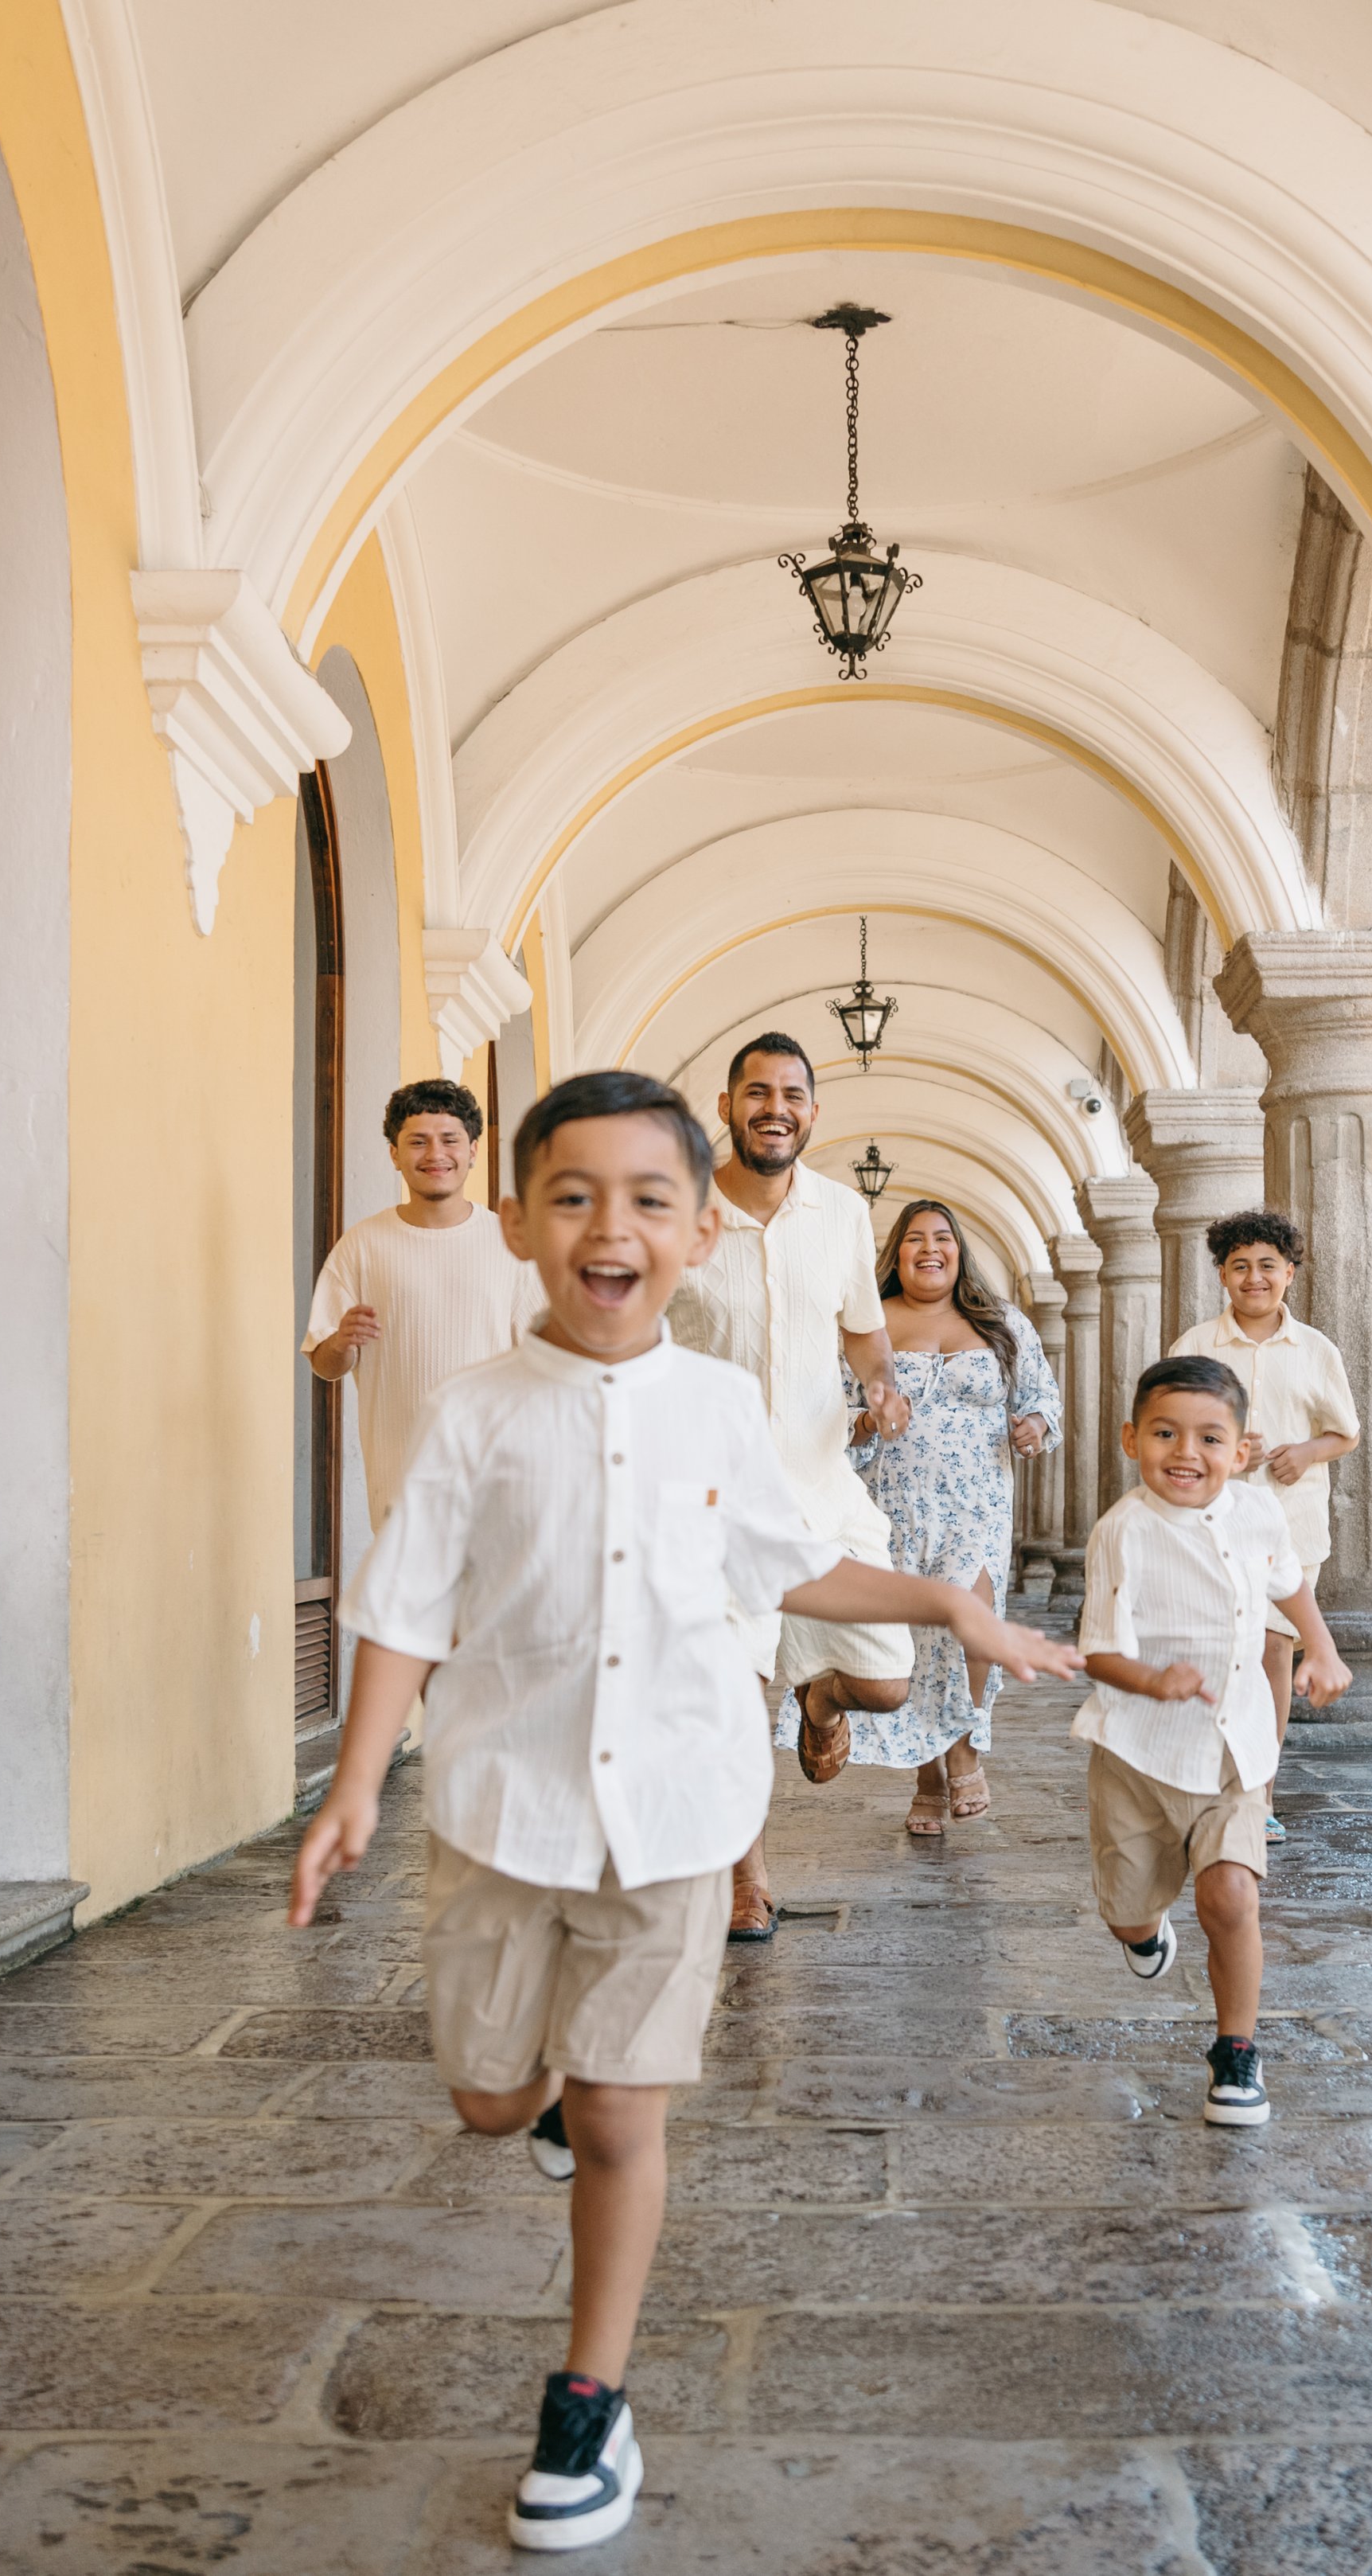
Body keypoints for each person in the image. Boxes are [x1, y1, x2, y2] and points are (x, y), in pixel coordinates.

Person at [288, 1069, 1082, 2553]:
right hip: (501, 1810)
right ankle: (531, 2100)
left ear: (699, 1232)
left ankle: (588, 2399)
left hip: (673, 1809)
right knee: (486, 2097)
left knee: (618, 2114)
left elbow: (789, 1564)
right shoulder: (470, 1417)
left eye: (651, 1197)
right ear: (519, 1222)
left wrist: (943, 1604)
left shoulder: (719, 1409)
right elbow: (397, 1612)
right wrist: (347, 1795)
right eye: (575, 1195)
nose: (613, 1226)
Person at [667, 1034, 914, 1940]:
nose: (776, 1107)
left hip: (820, 1487)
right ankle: (748, 1878)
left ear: (814, 1110)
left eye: (794, 1094)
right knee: (738, 1695)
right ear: (727, 1105)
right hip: (714, 1499)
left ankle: (820, 1697)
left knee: (884, 1683)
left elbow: (861, 1331)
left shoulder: (843, 1213)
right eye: (758, 1092)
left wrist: (882, 1384)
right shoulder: (681, 1210)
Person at [1074, 1356, 1350, 2127]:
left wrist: (1321, 1648)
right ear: (1132, 1438)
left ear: (1239, 1448)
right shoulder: (1120, 1532)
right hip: (1139, 1754)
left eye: (1209, 1437)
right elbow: (1096, 1651)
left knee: (1230, 1894)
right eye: (1164, 1433)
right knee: (1128, 1908)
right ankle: (1141, 1930)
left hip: (1234, 1749)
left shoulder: (1259, 1512)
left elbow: (1288, 1581)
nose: (1185, 1452)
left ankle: (1235, 2051)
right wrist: (1149, 1678)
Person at [844, 1199, 1061, 1836]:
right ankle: (927, 1774)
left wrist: (1034, 1425)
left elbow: (1042, 1395)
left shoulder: (1003, 1324)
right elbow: (832, 1409)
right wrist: (864, 1420)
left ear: (960, 1251)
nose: (929, 1248)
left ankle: (962, 1750)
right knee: (915, 1640)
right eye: (915, 1239)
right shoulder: (868, 1326)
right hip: (895, 1505)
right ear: (897, 1253)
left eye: (942, 1237)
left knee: (971, 1628)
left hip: (978, 1504)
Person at [1168, 1209, 1358, 1840]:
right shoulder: (1195, 1346)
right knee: (1224, 1649)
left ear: (1290, 1275)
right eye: (1240, 1265)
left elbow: (1343, 1432)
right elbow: (1163, 1427)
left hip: (1290, 1521)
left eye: (1268, 1266)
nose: (1255, 1277)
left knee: (1276, 1650)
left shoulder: (1316, 1350)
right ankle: (1208, 1777)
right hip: (1210, 1523)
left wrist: (1306, 1452)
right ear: (1222, 1274)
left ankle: (1260, 1792)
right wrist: (1218, 1446)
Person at [304, 1078, 544, 1528]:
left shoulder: (511, 1244)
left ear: (473, 1149)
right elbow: (324, 1364)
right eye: (417, 1142)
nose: (435, 1155)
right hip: (401, 1486)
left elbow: (545, 1360)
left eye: (450, 1140)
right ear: (395, 1154)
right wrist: (341, 1341)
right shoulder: (362, 1245)